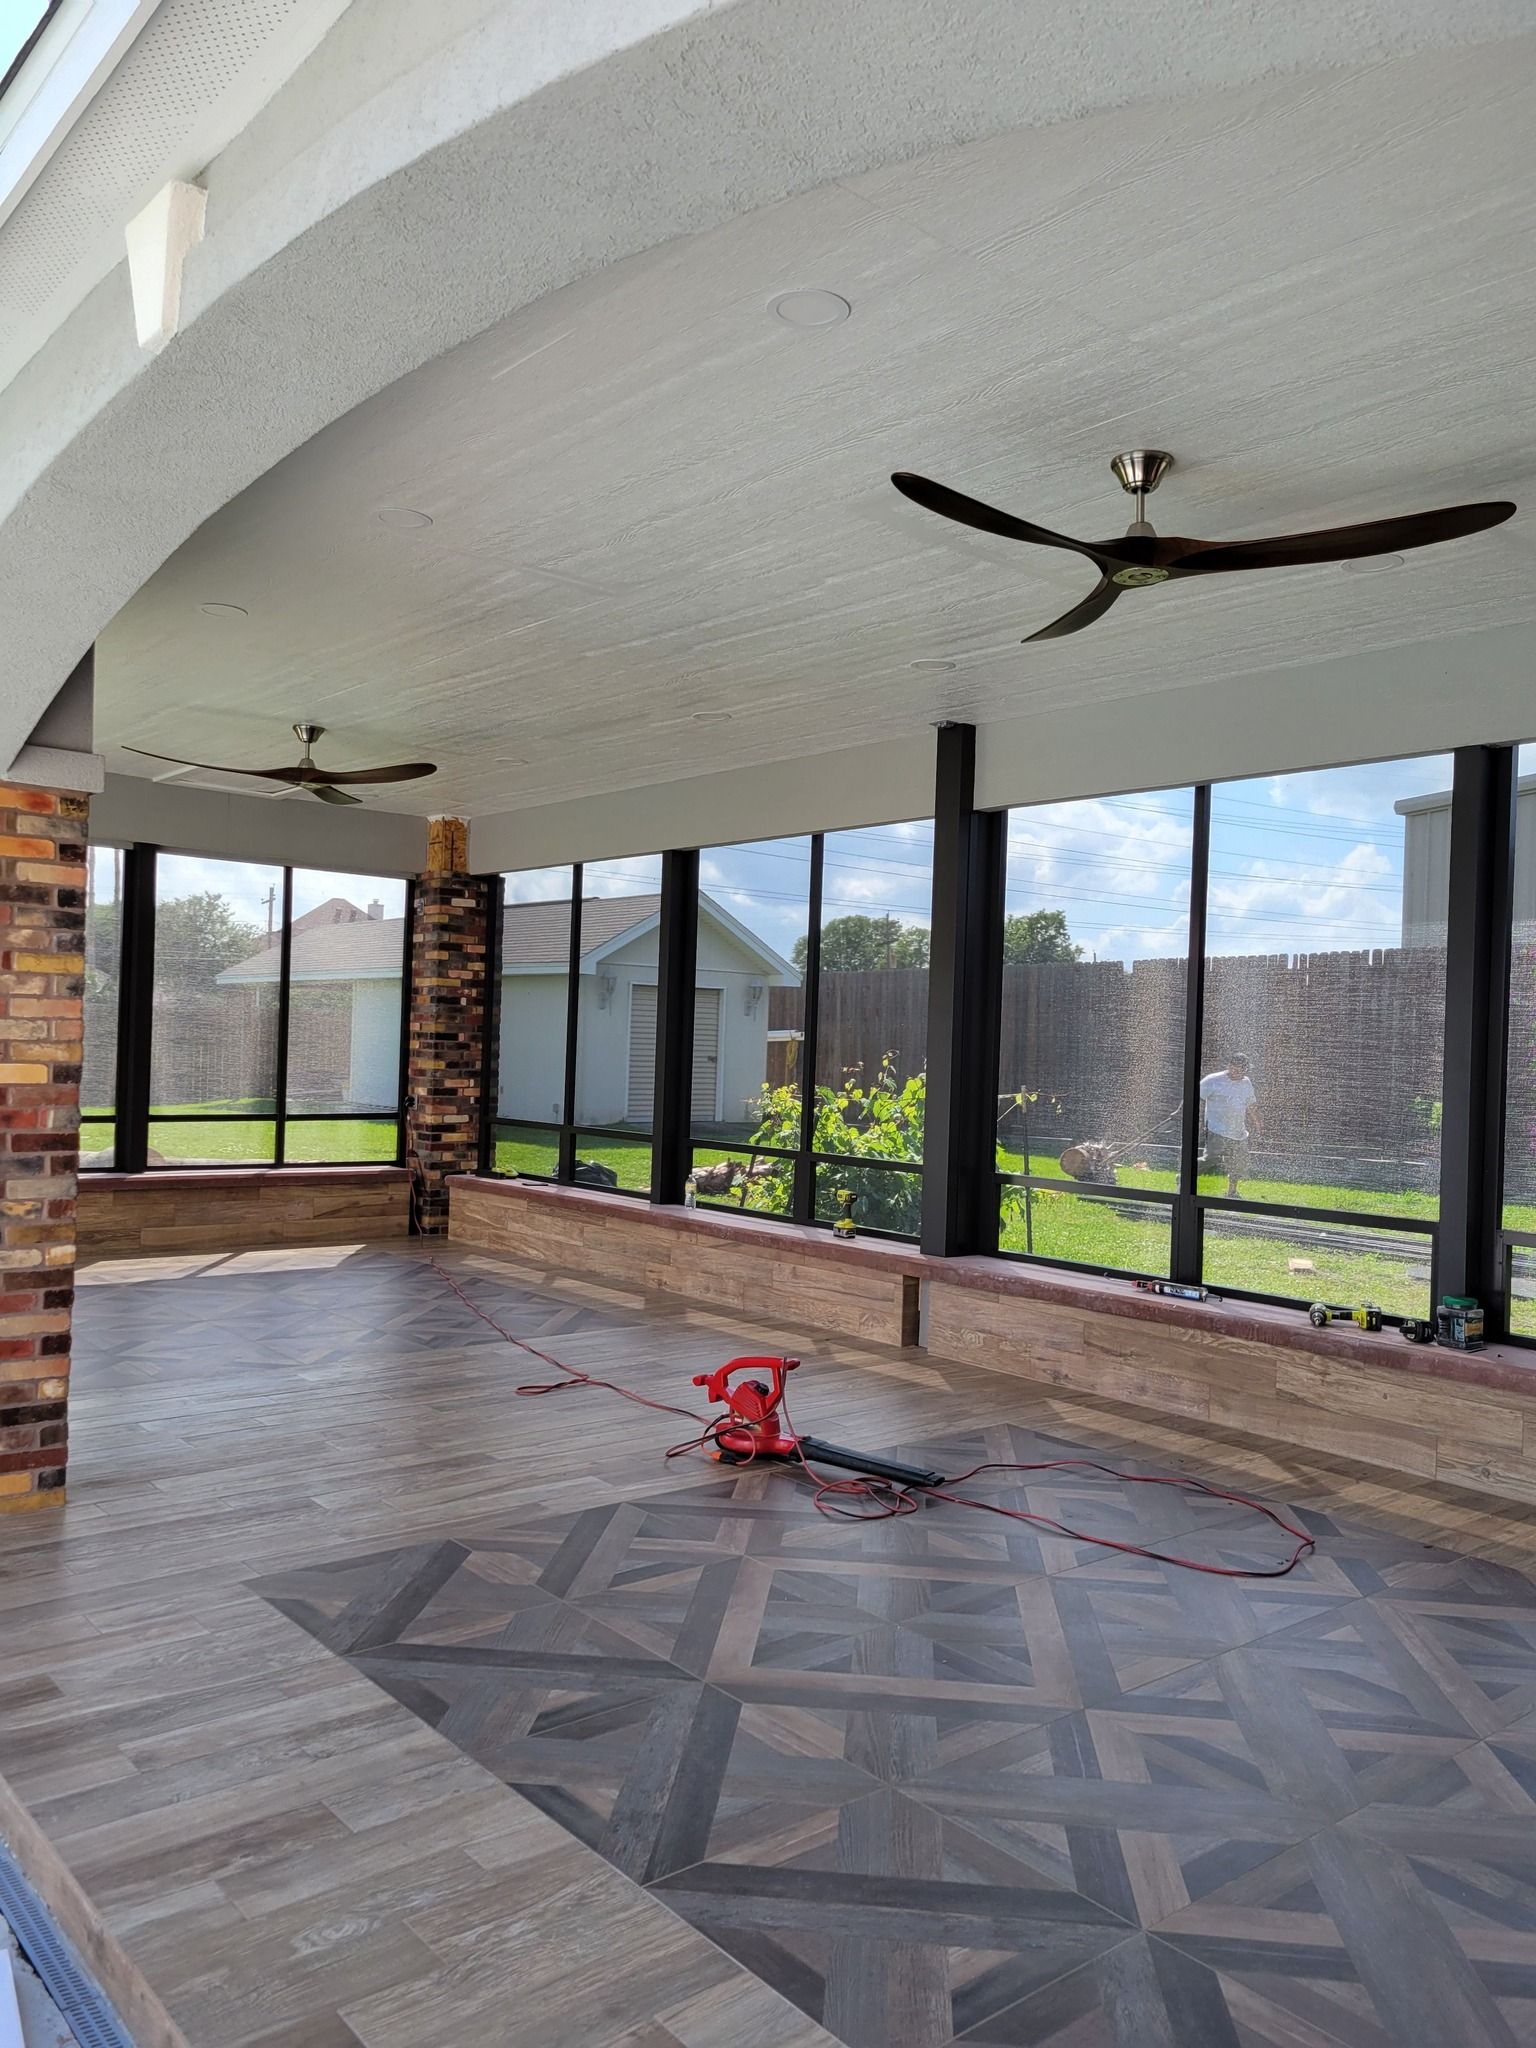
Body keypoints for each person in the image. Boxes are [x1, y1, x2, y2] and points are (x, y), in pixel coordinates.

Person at [1199, 1054, 1261, 1196]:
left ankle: (1232, 1192)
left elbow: (1251, 1105)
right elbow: (1193, 1095)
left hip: (1238, 1132)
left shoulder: (1246, 1083)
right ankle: (1184, 1178)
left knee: (1237, 1163)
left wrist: (1258, 1124)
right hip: (1216, 1129)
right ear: (1230, 1066)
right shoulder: (1213, 1080)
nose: (1238, 1072)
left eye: (1242, 1069)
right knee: (1210, 1159)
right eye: (1236, 1068)